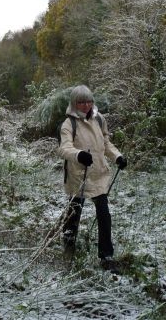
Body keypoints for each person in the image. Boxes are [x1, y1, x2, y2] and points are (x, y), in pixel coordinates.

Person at [58, 85, 127, 272]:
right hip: (78, 176)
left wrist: (117, 156)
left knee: (104, 215)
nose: (86, 105)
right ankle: (69, 243)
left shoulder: (99, 119)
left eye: (89, 101)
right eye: (81, 102)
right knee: (74, 214)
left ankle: (106, 255)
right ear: (74, 103)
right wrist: (79, 154)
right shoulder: (68, 124)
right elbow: (64, 148)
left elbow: (106, 143)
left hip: (98, 174)